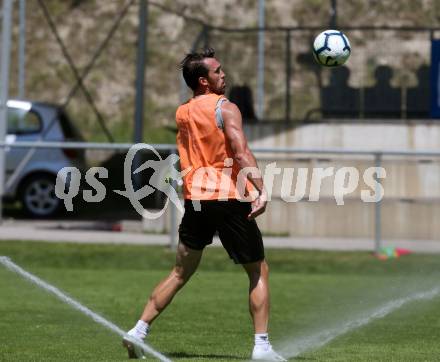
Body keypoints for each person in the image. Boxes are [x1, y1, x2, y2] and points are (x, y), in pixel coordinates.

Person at [123, 48, 286, 361]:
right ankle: (262, 348)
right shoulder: (226, 108)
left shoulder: (182, 112)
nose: (223, 75)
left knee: (180, 272)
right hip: (226, 196)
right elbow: (240, 152)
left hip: (195, 200)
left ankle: (138, 331)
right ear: (203, 80)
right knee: (258, 271)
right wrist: (261, 189)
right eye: (218, 71)